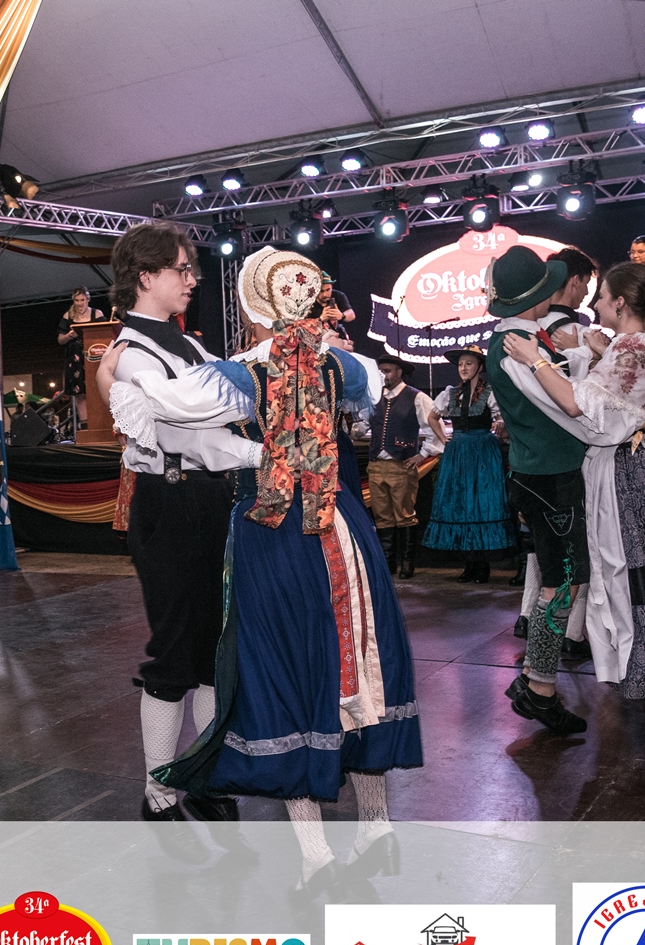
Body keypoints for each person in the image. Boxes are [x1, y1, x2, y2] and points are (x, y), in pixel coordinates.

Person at [107, 247, 419, 893]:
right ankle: (369, 824)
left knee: (276, 666)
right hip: (326, 522)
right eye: (181, 269)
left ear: (255, 305)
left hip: (272, 524)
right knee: (346, 659)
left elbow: (173, 406)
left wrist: (113, 379)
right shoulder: (343, 363)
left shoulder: (236, 366)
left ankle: (303, 846)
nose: (192, 278)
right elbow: (357, 385)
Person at [501, 263, 645, 744]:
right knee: (643, 587)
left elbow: (579, 405)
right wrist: (592, 350)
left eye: (601, 296)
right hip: (624, 473)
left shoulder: (636, 347)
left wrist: (536, 360)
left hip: (633, 477)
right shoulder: (631, 346)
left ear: (620, 303)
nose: (594, 303)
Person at [98, 221, 254, 824]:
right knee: (174, 653)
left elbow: (224, 407)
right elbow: (203, 426)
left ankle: (206, 777)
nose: (192, 280)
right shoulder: (133, 356)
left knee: (215, 650)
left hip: (208, 500)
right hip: (170, 503)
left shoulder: (184, 346)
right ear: (146, 276)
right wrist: (265, 450)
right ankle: (159, 791)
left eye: (192, 269)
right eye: (182, 269)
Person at [481, 246, 589, 735]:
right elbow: (559, 406)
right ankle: (540, 688)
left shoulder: (523, 339)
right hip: (549, 478)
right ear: (537, 295)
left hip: (545, 474)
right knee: (562, 582)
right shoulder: (515, 346)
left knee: (562, 579)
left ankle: (534, 678)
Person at [423, 346, 513, 582]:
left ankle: (482, 565)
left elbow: (503, 417)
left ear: (479, 367)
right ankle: (469, 564)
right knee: (461, 503)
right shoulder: (451, 393)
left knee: (481, 502)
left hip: (482, 450)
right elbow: (432, 416)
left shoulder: (490, 392)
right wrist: (444, 438)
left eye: (469, 363)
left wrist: (500, 424)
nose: (463, 368)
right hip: (459, 451)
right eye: (461, 364)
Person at [366, 353, 442, 579]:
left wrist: (423, 454)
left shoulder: (416, 397)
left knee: (405, 515)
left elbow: (434, 428)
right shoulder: (374, 396)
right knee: (382, 516)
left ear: (399, 372)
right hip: (376, 465)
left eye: (387, 371)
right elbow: (364, 424)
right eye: (381, 372)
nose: (384, 376)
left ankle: (407, 563)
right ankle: (388, 562)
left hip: (401, 465)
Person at [57, 286, 105, 432]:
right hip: (75, 358)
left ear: (88, 299)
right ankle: (85, 425)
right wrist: (69, 336)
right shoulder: (68, 316)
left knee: (97, 389)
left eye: (82, 300)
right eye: (76, 300)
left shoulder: (97, 313)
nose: (79, 303)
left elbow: (105, 333)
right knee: (80, 392)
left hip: (94, 356)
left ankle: (101, 423)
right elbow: (60, 340)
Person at [304, 273, 355, 339]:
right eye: (321, 291)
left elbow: (351, 314)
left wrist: (342, 316)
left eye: (328, 290)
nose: (325, 294)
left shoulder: (338, 295)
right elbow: (300, 326)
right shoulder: (306, 301)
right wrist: (320, 319)